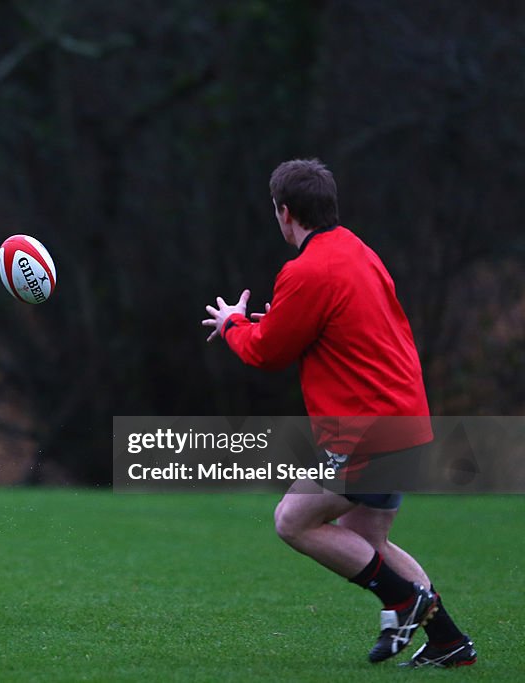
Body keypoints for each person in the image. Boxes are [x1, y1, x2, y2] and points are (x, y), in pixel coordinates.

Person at [202, 159, 475, 668]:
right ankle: (448, 641)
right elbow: (321, 326)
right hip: (406, 418)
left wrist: (235, 327)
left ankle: (404, 600)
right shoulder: (357, 252)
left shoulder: (306, 270)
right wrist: (255, 321)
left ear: (285, 213)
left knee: (293, 521)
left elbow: (267, 353)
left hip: (367, 427)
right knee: (368, 540)